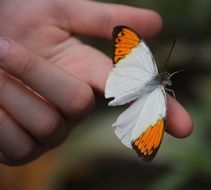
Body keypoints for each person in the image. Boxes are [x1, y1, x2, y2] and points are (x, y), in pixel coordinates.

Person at [0, 0, 192, 166]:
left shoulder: (148, 67)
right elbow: (126, 36)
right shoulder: (159, 98)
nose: (167, 80)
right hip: (128, 89)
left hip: (122, 84)